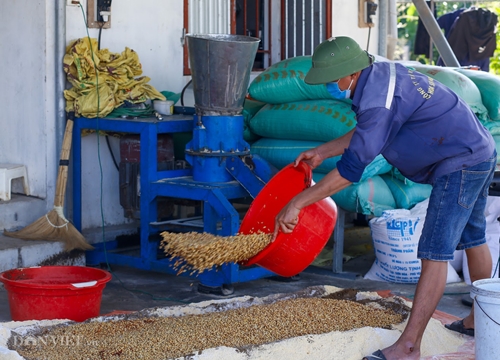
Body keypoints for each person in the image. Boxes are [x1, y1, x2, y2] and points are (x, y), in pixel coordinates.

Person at [273, 36, 496, 360]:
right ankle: (479, 320)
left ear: (348, 74)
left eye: (330, 80)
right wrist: (323, 151)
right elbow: (369, 131)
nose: (329, 87)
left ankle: (408, 347)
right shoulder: (381, 77)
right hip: (479, 151)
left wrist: (298, 203)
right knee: (473, 238)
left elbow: (351, 172)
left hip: (460, 163)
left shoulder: (378, 99)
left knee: (434, 252)